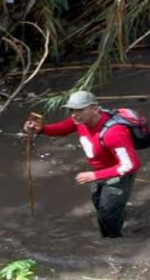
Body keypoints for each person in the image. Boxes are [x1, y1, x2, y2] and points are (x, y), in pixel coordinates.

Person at [24, 91, 141, 238]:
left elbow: (131, 164)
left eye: (79, 109)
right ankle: (118, 215)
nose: (74, 114)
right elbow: (61, 129)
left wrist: (94, 175)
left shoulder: (114, 133)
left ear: (95, 109)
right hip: (100, 172)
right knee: (98, 203)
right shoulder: (80, 122)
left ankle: (115, 243)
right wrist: (41, 130)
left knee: (106, 215)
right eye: (72, 110)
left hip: (119, 175)